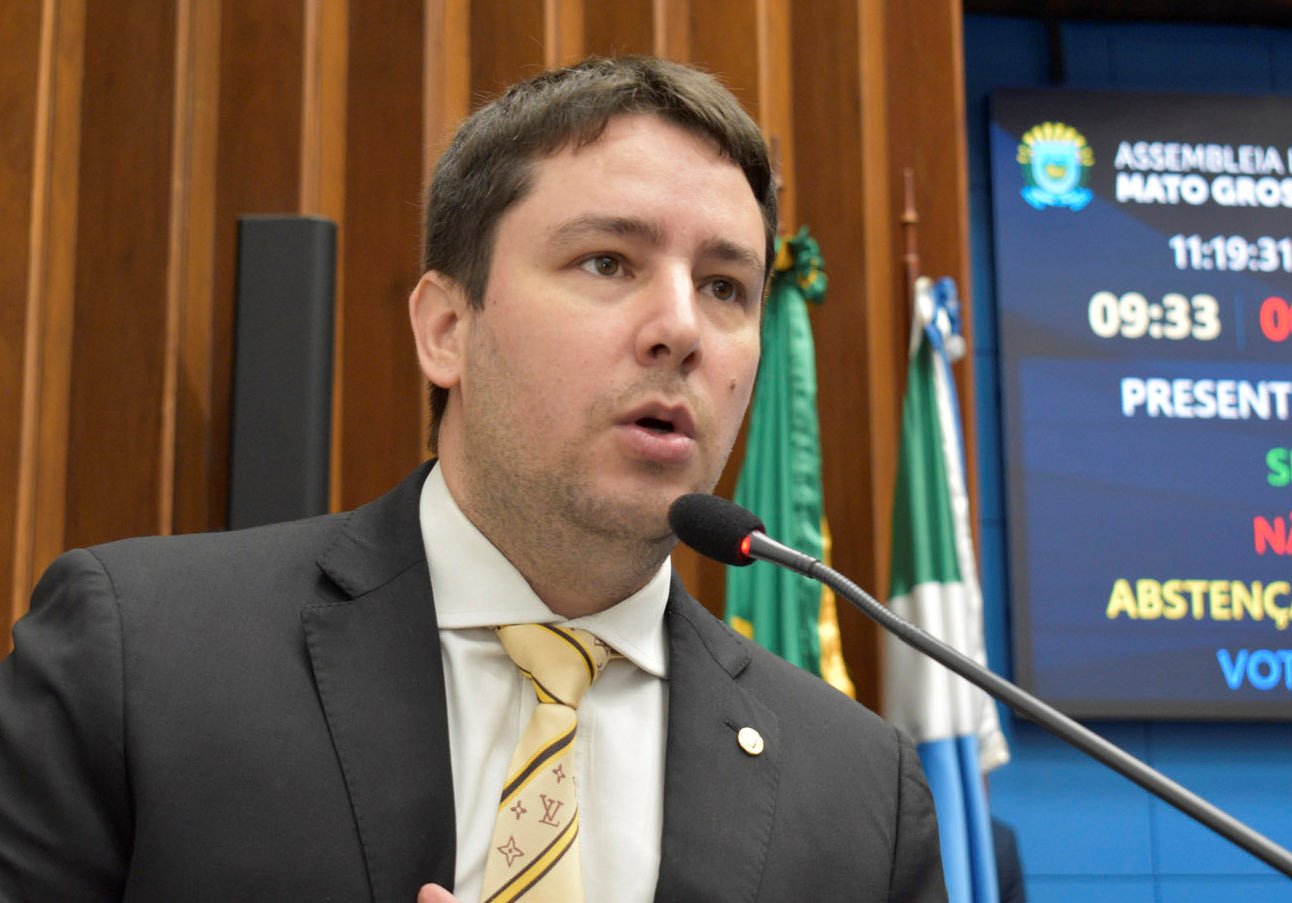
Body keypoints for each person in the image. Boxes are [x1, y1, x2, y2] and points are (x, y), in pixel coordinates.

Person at [0, 56, 945, 902]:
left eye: (725, 286)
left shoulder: (860, 792)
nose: (681, 328)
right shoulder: (139, 659)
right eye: (608, 261)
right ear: (447, 330)